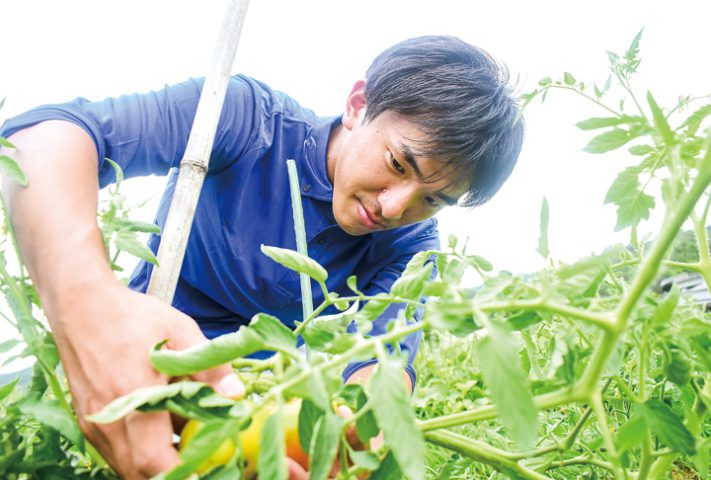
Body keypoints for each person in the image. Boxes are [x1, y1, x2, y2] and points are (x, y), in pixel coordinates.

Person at [0, 35, 524, 478]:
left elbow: (383, 363)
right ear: (358, 103)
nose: (394, 207)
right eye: (397, 163)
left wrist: (353, 436)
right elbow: (40, 138)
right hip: (135, 375)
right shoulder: (249, 122)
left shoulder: (411, 247)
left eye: (433, 199)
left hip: (253, 430)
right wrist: (85, 306)